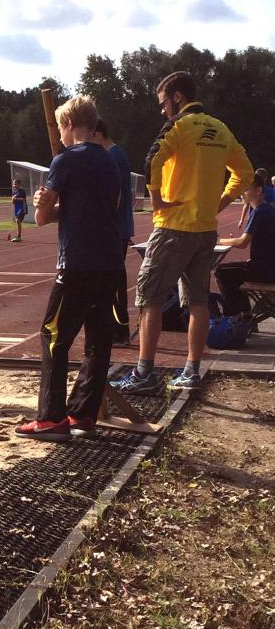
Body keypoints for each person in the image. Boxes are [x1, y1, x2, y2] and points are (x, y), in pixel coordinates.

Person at [111, 71, 254, 393]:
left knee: (149, 298)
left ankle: (144, 374)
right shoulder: (221, 128)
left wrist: (157, 199)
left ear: (178, 97)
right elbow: (244, 172)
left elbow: (152, 161)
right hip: (205, 231)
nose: (162, 110)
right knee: (198, 301)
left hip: (173, 227)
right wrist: (220, 202)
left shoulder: (179, 126)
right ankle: (191, 371)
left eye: (164, 103)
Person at [14, 95, 123, 442]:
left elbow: (41, 218)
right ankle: (83, 413)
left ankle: (51, 418)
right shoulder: (110, 161)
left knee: (53, 337)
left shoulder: (64, 160)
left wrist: (41, 204)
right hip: (110, 262)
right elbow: (93, 209)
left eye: (61, 128)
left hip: (76, 262)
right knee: (98, 340)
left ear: (69, 125)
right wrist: (55, 207)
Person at [93, 118, 134, 344]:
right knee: (113, 277)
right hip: (117, 226)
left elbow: (114, 195)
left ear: (98, 134)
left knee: (114, 279)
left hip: (115, 227)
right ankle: (116, 328)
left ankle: (119, 330)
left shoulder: (113, 156)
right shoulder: (115, 155)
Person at [215, 174, 275, 315]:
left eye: (246, 189)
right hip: (269, 266)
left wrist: (218, 241)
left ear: (258, 191)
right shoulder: (268, 210)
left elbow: (242, 242)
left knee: (222, 272)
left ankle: (234, 315)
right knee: (232, 272)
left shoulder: (259, 212)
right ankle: (245, 314)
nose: (242, 193)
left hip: (264, 270)